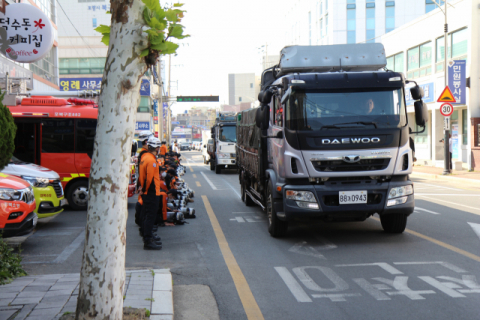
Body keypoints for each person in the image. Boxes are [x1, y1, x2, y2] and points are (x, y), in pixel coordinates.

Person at [139, 137, 163, 250]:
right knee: (150, 216)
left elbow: (142, 177)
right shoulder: (152, 161)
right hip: (151, 192)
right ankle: (148, 240)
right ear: (157, 148)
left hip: (147, 192)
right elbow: (149, 179)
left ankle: (147, 236)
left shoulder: (145, 157)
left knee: (146, 215)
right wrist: (145, 190)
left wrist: (142, 189)